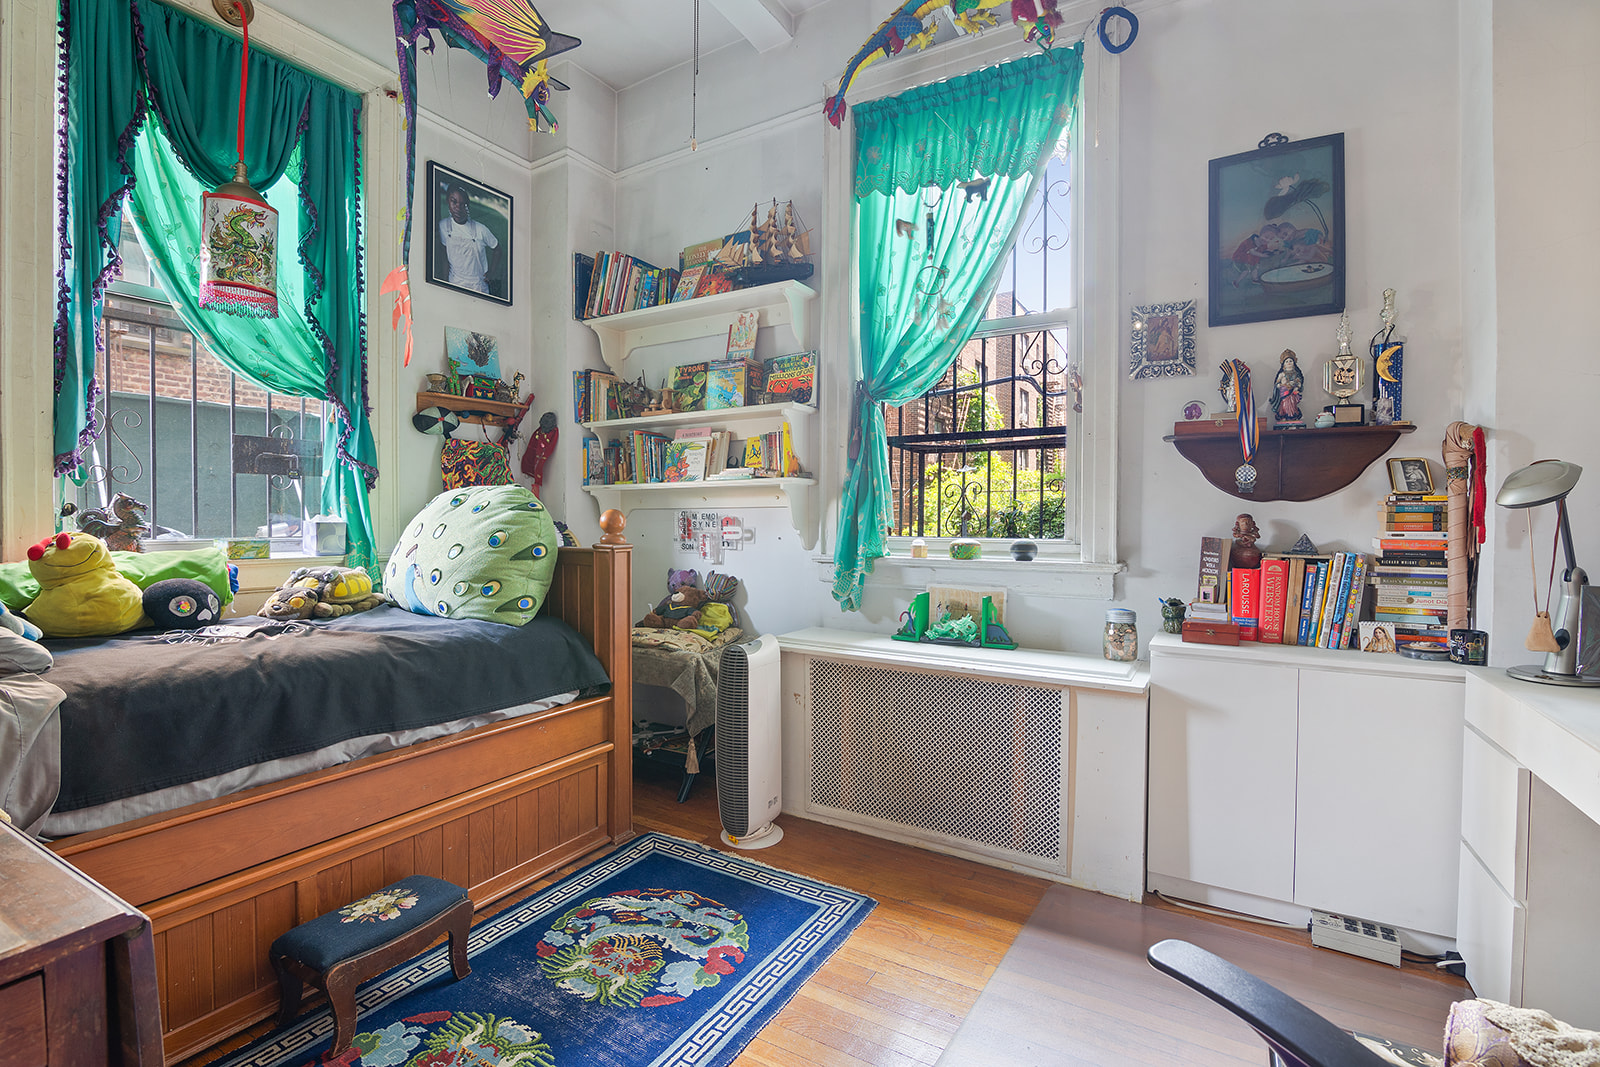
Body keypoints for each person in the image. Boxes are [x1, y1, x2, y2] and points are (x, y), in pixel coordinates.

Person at [437, 183, 499, 295]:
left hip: (478, 286)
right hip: (455, 284)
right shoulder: (443, 226)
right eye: (454, 201)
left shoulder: (480, 229)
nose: (458, 207)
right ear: (448, 201)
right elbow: (444, 256)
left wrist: (491, 273)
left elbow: (497, 249)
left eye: (462, 204)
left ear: (467, 206)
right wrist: (444, 282)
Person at [1271, 349, 1303, 422]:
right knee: (1285, 404)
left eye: (1291, 361)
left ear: (1294, 363)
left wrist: (1297, 387)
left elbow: (1299, 383)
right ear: (1284, 364)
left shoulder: (1296, 374)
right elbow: (1277, 384)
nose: (1289, 363)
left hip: (1293, 393)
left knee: (1292, 403)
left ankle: (1292, 418)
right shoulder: (1282, 374)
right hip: (1284, 392)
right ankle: (1284, 416)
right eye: (1287, 361)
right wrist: (1283, 385)